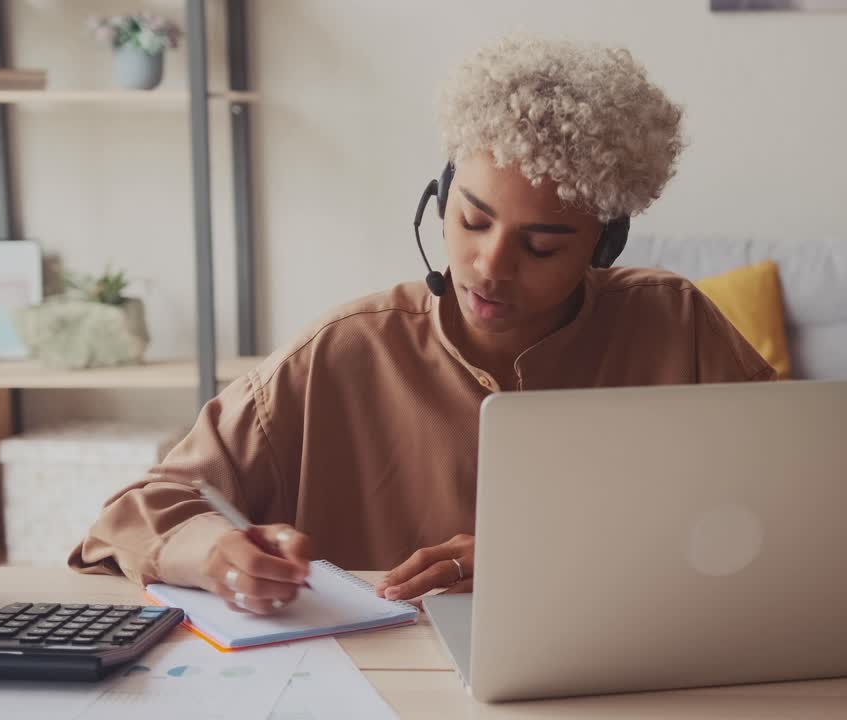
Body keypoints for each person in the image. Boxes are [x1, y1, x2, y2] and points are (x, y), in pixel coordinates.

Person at [69, 35, 775, 614]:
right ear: (438, 196)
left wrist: (548, 556)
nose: (488, 266)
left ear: (605, 245)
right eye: (471, 219)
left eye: (542, 245)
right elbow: (140, 510)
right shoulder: (341, 353)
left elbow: (795, 506)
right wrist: (216, 554)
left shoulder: (676, 325)